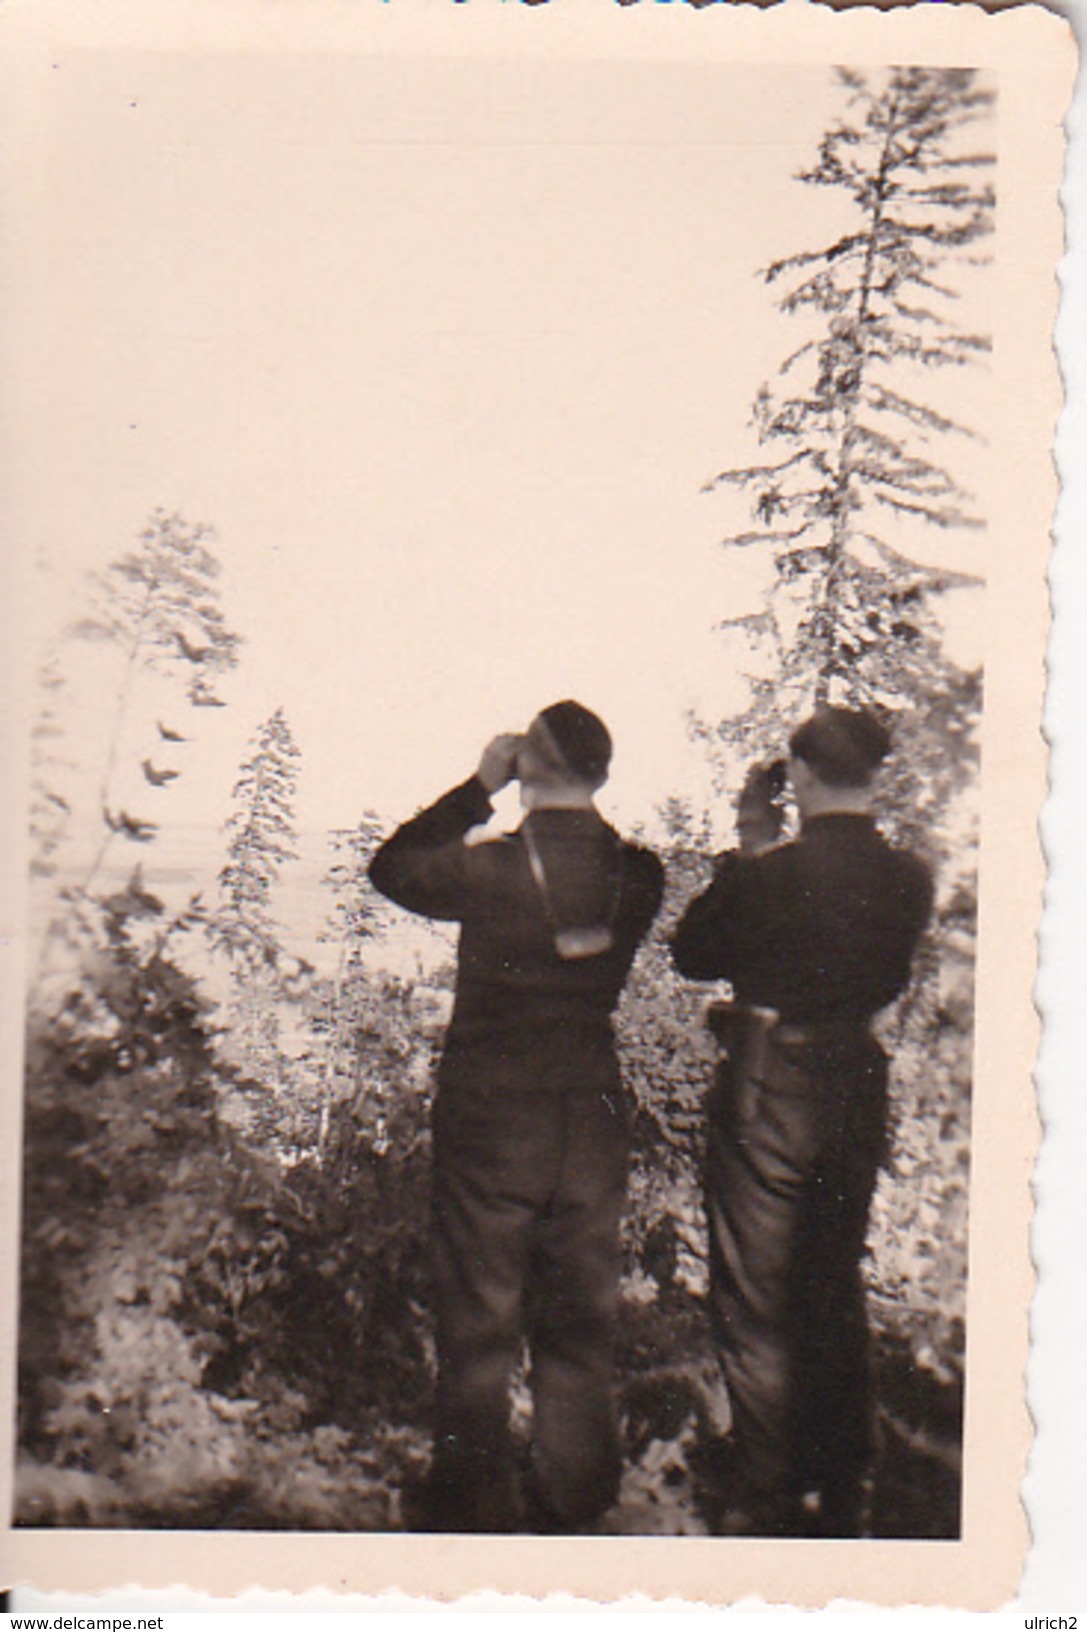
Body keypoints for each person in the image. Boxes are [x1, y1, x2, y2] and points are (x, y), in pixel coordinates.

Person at [369, 701, 664, 1533]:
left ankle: (472, 1496)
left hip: (495, 1110)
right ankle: (575, 1494)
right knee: (580, 1305)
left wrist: (478, 787)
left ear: (530, 763)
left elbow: (391, 869)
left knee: (479, 1306)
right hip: (590, 1109)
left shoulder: (490, 869)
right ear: (600, 775)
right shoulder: (638, 876)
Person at [671, 705, 933, 1537]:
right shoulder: (908, 879)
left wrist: (749, 849)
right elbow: (887, 980)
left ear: (804, 776)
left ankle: (767, 1485)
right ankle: (844, 1477)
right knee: (831, 1276)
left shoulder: (768, 874)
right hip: (856, 1080)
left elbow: (692, 954)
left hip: (770, 1081)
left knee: (755, 1292)